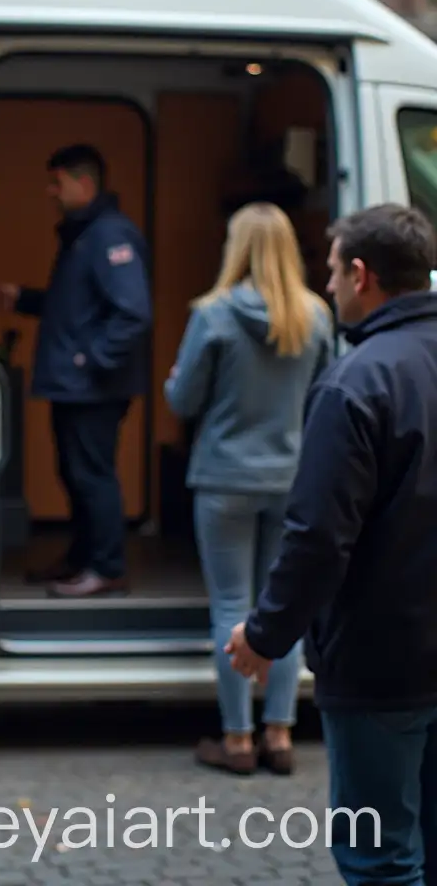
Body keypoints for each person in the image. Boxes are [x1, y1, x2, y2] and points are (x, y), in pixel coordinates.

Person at [225, 203, 437, 885]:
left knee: (379, 857)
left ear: (361, 274)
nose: (328, 287)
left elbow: (318, 537)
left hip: (384, 662)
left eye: (333, 271)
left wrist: (264, 636)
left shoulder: (357, 384)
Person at [164, 202, 332, 776]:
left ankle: (237, 741)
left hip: (223, 478)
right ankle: (280, 734)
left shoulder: (212, 316)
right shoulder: (316, 317)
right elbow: (328, 398)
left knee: (230, 607)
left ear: (236, 248)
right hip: (292, 477)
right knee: (279, 609)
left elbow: (183, 401)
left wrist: (172, 383)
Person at [0, 143, 151, 598]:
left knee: (92, 475)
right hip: (76, 386)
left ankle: (106, 568)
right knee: (75, 474)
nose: (50, 192)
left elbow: (132, 314)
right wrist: (25, 300)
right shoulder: (83, 234)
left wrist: (90, 360)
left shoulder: (109, 236)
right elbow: (75, 307)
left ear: (84, 184)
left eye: (57, 182)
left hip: (93, 388)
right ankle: (81, 560)